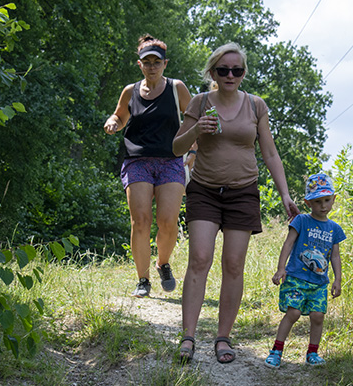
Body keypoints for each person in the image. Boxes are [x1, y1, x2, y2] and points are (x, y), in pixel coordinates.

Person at [172, 42, 300, 364]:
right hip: (204, 189)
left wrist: (285, 194)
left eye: (237, 70)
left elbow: (269, 152)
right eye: (223, 70)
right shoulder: (200, 103)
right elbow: (175, 147)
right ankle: (188, 337)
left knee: (233, 264)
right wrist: (196, 131)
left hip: (243, 191)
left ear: (243, 73)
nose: (230, 75)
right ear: (213, 72)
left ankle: (223, 337)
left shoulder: (256, 106)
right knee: (200, 258)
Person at [104, 35, 194, 298]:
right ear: (139, 64)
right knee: (140, 221)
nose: (152, 66)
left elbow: (194, 120)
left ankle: (162, 263)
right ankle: (142, 279)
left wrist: (194, 150)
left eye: (157, 62)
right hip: (137, 161)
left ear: (165, 64)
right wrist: (112, 122)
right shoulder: (130, 91)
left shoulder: (177, 88)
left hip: (170, 161)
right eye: (147, 62)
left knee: (167, 222)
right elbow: (119, 116)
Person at [264, 172, 346, 369]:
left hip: (319, 283)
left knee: (318, 316)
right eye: (318, 201)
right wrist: (281, 268)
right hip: (297, 278)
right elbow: (288, 244)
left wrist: (337, 280)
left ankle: (312, 353)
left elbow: (335, 256)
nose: (323, 205)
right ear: (308, 203)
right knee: (293, 312)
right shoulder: (301, 221)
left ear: (334, 199)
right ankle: (276, 350)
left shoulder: (334, 229)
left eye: (327, 200)